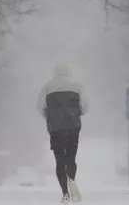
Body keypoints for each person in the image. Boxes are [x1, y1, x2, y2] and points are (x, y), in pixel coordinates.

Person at [37, 63, 88, 203]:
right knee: (71, 158)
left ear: (55, 73)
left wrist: (50, 116)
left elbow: (40, 107)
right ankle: (72, 180)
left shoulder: (47, 87)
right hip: (73, 127)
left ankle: (65, 193)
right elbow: (85, 107)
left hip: (55, 129)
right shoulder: (77, 87)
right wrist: (75, 113)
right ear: (68, 73)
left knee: (59, 160)